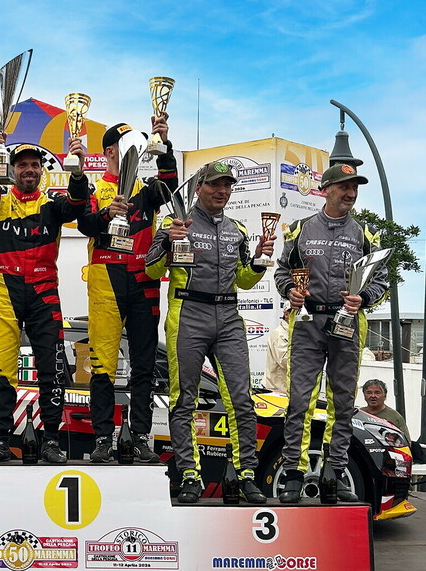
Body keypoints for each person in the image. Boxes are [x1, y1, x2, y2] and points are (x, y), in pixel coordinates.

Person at [145, 161, 274, 504]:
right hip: (189, 312)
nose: (222, 191)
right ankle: (189, 475)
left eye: (227, 185)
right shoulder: (176, 223)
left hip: (229, 314)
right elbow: (151, 268)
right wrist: (171, 244)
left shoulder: (237, 230)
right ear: (199, 187)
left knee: (241, 400)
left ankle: (246, 475)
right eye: (215, 184)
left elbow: (245, 280)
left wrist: (259, 260)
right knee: (184, 399)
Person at [273, 162, 388, 503]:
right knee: (299, 401)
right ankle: (293, 473)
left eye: (355, 188)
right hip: (308, 324)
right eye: (344, 187)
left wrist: (363, 297)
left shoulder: (366, 234)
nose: (351, 193)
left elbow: (379, 280)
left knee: (342, 404)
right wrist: (288, 291)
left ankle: (333, 475)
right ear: (326, 189)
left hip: (348, 325)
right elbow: (282, 271)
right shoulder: (300, 230)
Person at [0, 131, 89, 465]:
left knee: (52, 370)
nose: (28, 169)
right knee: (1, 372)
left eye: (34, 165)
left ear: (42, 170)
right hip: (2, 292)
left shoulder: (52, 207)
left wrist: (78, 172)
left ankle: (51, 439)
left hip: (43, 293)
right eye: (22, 164)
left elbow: (78, 203)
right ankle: (0, 440)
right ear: (11, 170)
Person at [76, 116, 178, 463]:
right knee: (102, 365)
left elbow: (171, 183)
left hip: (143, 281)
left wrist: (164, 146)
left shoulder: (147, 191)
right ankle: (103, 438)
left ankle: (139, 437)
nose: (133, 152)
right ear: (110, 152)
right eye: (126, 147)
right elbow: (84, 223)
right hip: (105, 281)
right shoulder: (94, 190)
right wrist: (107, 214)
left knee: (144, 367)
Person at [263, 306, 292, 394]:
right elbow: (285, 361)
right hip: (277, 389)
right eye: (296, 312)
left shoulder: (292, 332)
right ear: (286, 314)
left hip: (285, 388)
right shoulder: (280, 334)